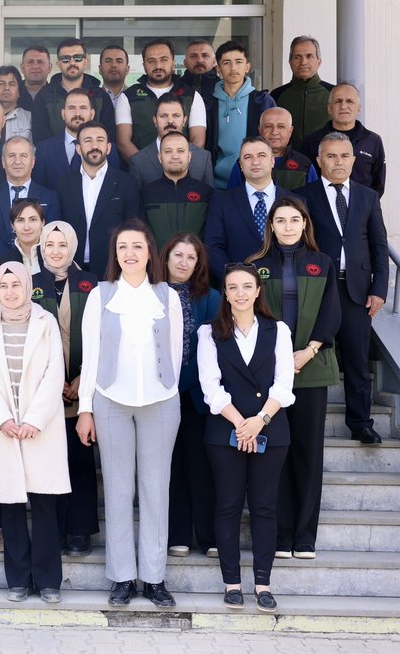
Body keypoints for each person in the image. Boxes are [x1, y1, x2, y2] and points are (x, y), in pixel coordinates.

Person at [76, 221, 182, 607]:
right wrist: (85, 408)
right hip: (110, 401)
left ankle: (153, 578)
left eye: (137, 246)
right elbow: (90, 356)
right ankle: (122, 577)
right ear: (115, 253)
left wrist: (167, 391)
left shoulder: (167, 296)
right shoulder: (100, 295)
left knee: (155, 490)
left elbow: (175, 352)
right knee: (119, 490)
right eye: (123, 246)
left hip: (160, 402)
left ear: (150, 251)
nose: (130, 253)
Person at [197, 262, 296, 613]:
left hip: (271, 430)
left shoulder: (278, 330)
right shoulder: (209, 333)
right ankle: (232, 584)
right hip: (225, 430)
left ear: (257, 291)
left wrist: (260, 421)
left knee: (265, 506)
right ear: (225, 293)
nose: (240, 293)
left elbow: (284, 384)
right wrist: (243, 424)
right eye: (233, 287)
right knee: (228, 504)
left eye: (246, 286)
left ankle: (263, 584)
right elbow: (211, 388)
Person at [246, 197, 341, 560]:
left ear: (305, 224)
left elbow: (331, 313)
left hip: (310, 369)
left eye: (294, 220)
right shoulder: (255, 266)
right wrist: (276, 358)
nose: (287, 226)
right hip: (268, 375)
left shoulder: (322, 263)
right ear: (270, 226)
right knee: (275, 456)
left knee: (307, 454)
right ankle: (280, 535)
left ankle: (304, 537)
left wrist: (309, 350)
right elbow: (248, 315)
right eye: (280, 220)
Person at [0, 262, 68, 602]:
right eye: (4, 286)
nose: (10, 292)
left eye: (16, 284)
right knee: (11, 506)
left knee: (44, 505)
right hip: (4, 427)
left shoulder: (46, 322)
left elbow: (54, 373)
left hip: (40, 426)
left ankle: (48, 581)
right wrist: (2, 418)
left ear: (28, 287)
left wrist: (34, 419)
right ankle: (17, 579)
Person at [296, 133, 388, 444]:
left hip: (357, 291)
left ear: (353, 159)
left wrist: (379, 289)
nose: (338, 162)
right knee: (309, 353)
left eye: (344, 156)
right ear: (319, 161)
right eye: (331, 156)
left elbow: (379, 246)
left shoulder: (368, 197)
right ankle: (303, 421)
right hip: (316, 289)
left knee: (357, 360)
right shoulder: (302, 196)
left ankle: (361, 423)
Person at [33, 221, 100, 559]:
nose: (56, 251)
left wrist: (80, 379)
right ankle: (55, 530)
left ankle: (80, 530)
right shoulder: (30, 284)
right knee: (49, 463)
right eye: (50, 245)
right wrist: (53, 379)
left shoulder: (91, 283)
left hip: (82, 387)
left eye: (62, 245)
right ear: (41, 248)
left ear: (72, 247)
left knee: (80, 461)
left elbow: (101, 335)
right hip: (44, 390)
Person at [161, 234, 222, 559]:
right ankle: (178, 535)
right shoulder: (151, 294)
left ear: (199, 263)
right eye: (178, 255)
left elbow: (214, 348)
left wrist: (188, 383)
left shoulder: (211, 298)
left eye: (191, 257)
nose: (183, 262)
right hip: (160, 395)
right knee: (170, 466)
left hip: (199, 396)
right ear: (166, 257)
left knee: (202, 465)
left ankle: (209, 536)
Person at [55, 121, 142, 278]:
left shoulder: (127, 183)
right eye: (88, 140)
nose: (94, 146)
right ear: (78, 149)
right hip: (71, 268)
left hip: (113, 269)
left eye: (100, 140)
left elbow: (134, 229)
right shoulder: (63, 184)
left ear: (108, 148)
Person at [204, 136, 294, 281]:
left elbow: (303, 248)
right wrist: (234, 278)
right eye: (248, 157)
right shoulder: (221, 202)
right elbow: (213, 248)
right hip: (238, 289)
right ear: (240, 165)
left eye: (261, 155)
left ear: (272, 161)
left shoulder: (294, 202)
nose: (255, 161)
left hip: (284, 285)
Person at [115, 39, 205, 161]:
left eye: (163, 59)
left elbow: (198, 141)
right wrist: (146, 167)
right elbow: (123, 142)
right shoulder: (128, 96)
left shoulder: (192, 96)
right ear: (144, 65)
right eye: (151, 61)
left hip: (182, 169)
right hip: (141, 170)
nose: (157, 66)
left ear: (173, 63)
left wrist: (177, 166)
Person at [0, 139, 61, 262]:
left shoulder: (50, 197)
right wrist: (10, 258)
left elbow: (51, 233)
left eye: (23, 155)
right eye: (12, 155)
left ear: (33, 162)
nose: (17, 161)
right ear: (3, 162)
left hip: (38, 263)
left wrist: (28, 256)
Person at [206, 41, 275, 189]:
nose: (233, 68)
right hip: (217, 184)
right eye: (226, 63)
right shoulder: (209, 103)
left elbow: (274, 142)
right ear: (218, 69)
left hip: (254, 181)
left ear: (247, 67)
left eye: (238, 62)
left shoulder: (262, 101)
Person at [302, 83, 387, 196]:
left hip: (362, 205)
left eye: (349, 101)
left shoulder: (373, 141)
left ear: (359, 108)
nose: (343, 106)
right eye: (338, 101)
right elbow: (306, 180)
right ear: (329, 108)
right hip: (320, 205)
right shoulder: (312, 141)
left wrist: (367, 203)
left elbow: (378, 184)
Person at [140, 132, 215, 249]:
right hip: (157, 261)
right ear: (160, 157)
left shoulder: (207, 194)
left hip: (197, 260)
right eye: (168, 151)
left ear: (189, 156)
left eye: (180, 151)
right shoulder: (145, 194)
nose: (175, 156)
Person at [34, 38, 117, 144]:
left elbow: (109, 137)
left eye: (78, 58)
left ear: (85, 62)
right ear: (58, 63)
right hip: (54, 154)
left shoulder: (101, 96)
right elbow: (40, 138)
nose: (72, 63)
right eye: (65, 59)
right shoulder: (44, 96)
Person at [127, 95, 215, 188]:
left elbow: (209, 195)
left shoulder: (203, 158)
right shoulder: (138, 161)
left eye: (176, 115)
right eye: (163, 116)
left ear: (184, 120)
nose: (170, 121)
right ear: (155, 121)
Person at [226, 106, 319, 191]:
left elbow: (313, 199)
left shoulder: (304, 164)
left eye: (281, 127)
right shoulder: (245, 162)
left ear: (290, 131)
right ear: (260, 130)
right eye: (268, 126)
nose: (274, 132)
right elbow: (232, 198)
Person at [271, 36, 334, 152]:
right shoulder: (276, 95)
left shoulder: (333, 94)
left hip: (324, 160)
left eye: (309, 56)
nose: (303, 62)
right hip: (288, 161)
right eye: (297, 57)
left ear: (319, 61)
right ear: (290, 62)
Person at [0, 66, 32, 144]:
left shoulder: (29, 118)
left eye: (12, 84)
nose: (6, 88)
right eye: (1, 84)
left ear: (19, 92)